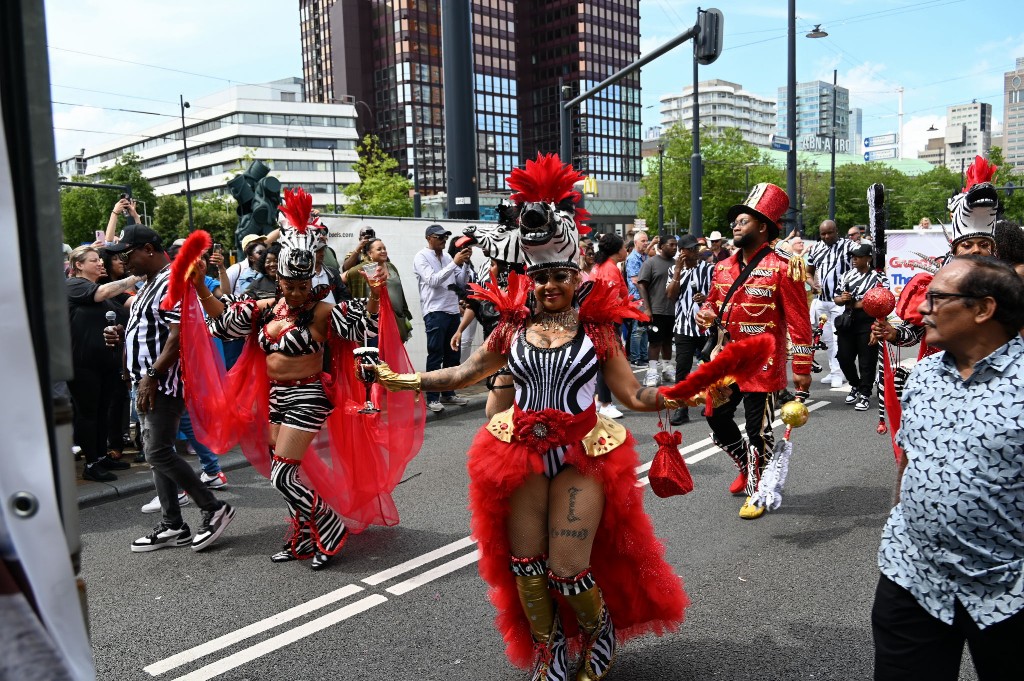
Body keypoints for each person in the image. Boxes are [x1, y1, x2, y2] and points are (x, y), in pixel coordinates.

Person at [371, 153, 687, 680]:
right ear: (529, 279)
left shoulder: (600, 329)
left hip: (582, 456)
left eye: (560, 275)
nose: (548, 286)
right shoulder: (511, 329)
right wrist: (400, 378)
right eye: (540, 277)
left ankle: (596, 631)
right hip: (521, 451)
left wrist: (689, 392)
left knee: (567, 570)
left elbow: (631, 396)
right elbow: (464, 373)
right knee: (527, 569)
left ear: (575, 276)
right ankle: (550, 650)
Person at [190, 188, 418, 570]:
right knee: (292, 472)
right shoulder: (265, 308)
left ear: (310, 282)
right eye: (289, 286)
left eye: (302, 286)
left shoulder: (322, 312)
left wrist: (376, 296)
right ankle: (302, 534)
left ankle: (327, 528)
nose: (296, 293)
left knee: (282, 475)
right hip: (276, 399)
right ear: (278, 279)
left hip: (309, 396)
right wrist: (199, 285)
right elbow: (225, 321)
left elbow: (365, 325)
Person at [872, 256, 1024, 680]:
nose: (922, 308)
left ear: (983, 309)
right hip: (912, 579)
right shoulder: (921, 377)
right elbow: (907, 459)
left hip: (1008, 592)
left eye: (937, 298)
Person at [104, 225, 236, 553]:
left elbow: (180, 336)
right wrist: (123, 336)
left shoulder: (172, 280)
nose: (124, 261)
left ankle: (213, 508)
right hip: (146, 381)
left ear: (148, 249)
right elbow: (151, 330)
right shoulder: (149, 283)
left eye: (127, 253)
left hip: (163, 383)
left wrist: (151, 373)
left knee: (157, 452)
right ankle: (172, 523)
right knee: (157, 453)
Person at [697, 183, 813, 519]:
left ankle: (757, 489)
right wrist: (705, 312)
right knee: (714, 417)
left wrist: (802, 369)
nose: (735, 226)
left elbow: (799, 321)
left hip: (764, 363)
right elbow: (712, 303)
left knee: (757, 430)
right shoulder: (722, 266)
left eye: (743, 221)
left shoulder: (784, 266)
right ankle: (743, 463)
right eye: (735, 222)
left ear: (763, 226)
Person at [66, 246, 142, 482]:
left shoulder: (107, 290)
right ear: (78, 265)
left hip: (106, 363)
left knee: (101, 412)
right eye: (94, 260)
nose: (100, 263)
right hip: (83, 363)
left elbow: (131, 302)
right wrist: (137, 275)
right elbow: (101, 293)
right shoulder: (74, 285)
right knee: (88, 413)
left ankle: (100, 456)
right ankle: (91, 464)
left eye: (100, 259)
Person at [413, 224, 472, 412]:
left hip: (452, 310)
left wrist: (465, 263)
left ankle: (448, 393)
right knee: (435, 354)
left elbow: (461, 282)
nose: (444, 240)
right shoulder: (421, 257)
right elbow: (433, 280)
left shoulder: (447, 257)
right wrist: (455, 263)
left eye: (445, 237)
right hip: (434, 311)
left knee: (452, 355)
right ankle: (431, 397)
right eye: (440, 237)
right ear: (429, 237)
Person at [834, 243, 888, 411]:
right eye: (852, 256)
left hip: (868, 320)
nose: (854, 259)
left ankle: (865, 393)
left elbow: (884, 301)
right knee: (843, 357)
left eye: (858, 256)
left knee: (867, 361)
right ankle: (855, 385)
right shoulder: (846, 276)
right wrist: (843, 299)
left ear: (869, 258)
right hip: (848, 320)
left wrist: (857, 303)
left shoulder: (879, 277)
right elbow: (836, 298)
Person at [665, 234, 712, 425]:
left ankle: (711, 404)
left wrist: (706, 297)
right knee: (682, 369)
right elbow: (670, 295)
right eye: (689, 249)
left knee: (709, 368)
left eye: (695, 248)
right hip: (683, 326)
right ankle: (681, 409)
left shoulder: (709, 269)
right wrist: (677, 272)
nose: (693, 252)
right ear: (681, 251)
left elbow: (718, 294)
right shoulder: (673, 270)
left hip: (706, 327)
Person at [806, 219, 856, 388]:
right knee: (826, 339)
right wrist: (812, 284)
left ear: (837, 231)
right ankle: (836, 370)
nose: (826, 236)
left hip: (840, 302)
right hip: (821, 300)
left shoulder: (849, 246)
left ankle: (838, 373)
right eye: (823, 234)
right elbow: (808, 272)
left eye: (830, 233)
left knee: (838, 338)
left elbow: (862, 262)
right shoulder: (816, 248)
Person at [590, 233, 629, 419]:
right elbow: (612, 299)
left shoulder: (600, 266)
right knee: (608, 362)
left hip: (598, 320)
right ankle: (606, 403)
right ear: (617, 250)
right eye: (623, 247)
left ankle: (600, 400)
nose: (625, 250)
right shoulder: (610, 269)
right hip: (608, 320)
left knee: (602, 362)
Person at [637, 233, 678, 387]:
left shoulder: (676, 264)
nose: (674, 248)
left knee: (668, 341)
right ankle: (652, 372)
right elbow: (641, 285)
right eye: (671, 245)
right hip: (656, 309)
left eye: (675, 245)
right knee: (655, 342)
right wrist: (647, 308)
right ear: (661, 246)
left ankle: (667, 369)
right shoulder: (651, 263)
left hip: (672, 310)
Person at [624, 229, 649, 365]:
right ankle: (636, 357)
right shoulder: (633, 258)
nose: (646, 243)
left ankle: (643, 357)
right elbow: (635, 280)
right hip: (637, 299)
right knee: (638, 329)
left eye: (646, 240)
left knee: (644, 328)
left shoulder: (645, 257)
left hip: (644, 297)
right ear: (635, 243)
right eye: (643, 241)